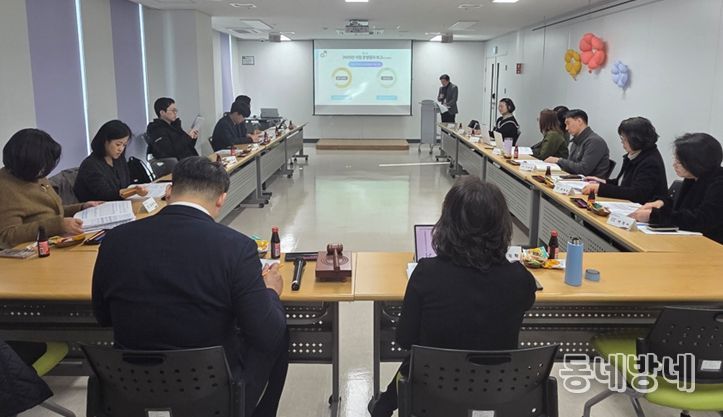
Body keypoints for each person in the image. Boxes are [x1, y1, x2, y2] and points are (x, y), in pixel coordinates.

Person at [92, 157, 288, 417]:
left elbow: (103, 316)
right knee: (277, 331)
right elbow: (266, 333)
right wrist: (270, 291)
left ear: (169, 191)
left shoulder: (115, 240)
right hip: (209, 392)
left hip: (129, 388)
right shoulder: (236, 247)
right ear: (221, 199)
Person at [369, 176, 537, 417]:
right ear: (502, 225)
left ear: (447, 224)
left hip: (434, 393)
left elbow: (406, 339)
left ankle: (383, 406)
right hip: (497, 389)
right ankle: (384, 404)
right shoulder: (520, 278)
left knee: (419, 358)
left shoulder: (426, 273)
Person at [0, 129, 98, 249]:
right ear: (25, 161)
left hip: (56, 241)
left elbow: (52, 211)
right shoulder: (5, 187)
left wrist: (82, 207)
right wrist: (57, 226)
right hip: (34, 251)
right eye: (41, 165)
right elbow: (7, 236)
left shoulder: (33, 175)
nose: (44, 170)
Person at [630, 133, 723, 243]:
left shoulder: (719, 184)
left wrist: (653, 216)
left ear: (697, 162)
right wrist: (662, 203)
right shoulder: (693, 177)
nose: (674, 165)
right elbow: (680, 208)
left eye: (679, 162)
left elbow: (701, 220)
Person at [582, 117, 667, 204]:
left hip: (640, 207)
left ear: (636, 140)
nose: (622, 142)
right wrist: (602, 182)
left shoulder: (651, 162)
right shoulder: (634, 154)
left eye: (624, 139)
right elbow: (622, 183)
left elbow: (637, 194)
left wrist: (600, 188)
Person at [74, 120, 147, 202]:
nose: (121, 149)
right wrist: (133, 191)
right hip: (99, 207)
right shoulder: (90, 165)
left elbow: (126, 185)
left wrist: (135, 190)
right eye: (118, 144)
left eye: (124, 145)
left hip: (120, 203)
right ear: (105, 141)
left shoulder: (119, 159)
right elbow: (106, 195)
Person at [545, 109, 610, 177]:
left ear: (579, 121)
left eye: (568, 123)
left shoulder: (595, 142)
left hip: (588, 182)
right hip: (574, 178)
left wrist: (559, 160)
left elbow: (583, 169)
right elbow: (571, 165)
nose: (566, 128)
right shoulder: (576, 140)